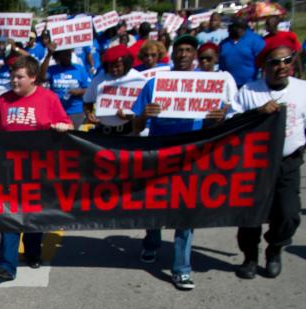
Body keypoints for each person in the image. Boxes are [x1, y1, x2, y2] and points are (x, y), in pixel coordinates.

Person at [128, 34, 230, 291]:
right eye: (179, 50)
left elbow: (213, 124)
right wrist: (144, 115)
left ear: (195, 56)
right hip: (159, 154)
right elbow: (135, 125)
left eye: (188, 50)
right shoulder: (155, 84)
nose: (184, 54)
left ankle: (182, 268)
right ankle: (151, 243)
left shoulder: (208, 86)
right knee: (155, 205)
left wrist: (218, 117)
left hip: (192, 156)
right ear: (172, 55)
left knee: (186, 211)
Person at [0, 56, 72, 282]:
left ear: (33, 78)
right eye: (12, 76)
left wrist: (64, 127)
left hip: (38, 169)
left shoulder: (48, 99)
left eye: (19, 77)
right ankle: (6, 265)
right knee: (9, 216)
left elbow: (68, 125)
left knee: (33, 215)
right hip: (9, 169)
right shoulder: (3, 101)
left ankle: (33, 252)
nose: (14, 80)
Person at [231, 33, 306, 279]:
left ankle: (275, 249)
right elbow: (232, 122)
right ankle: (250, 257)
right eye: (275, 62)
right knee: (251, 214)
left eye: (287, 60)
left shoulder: (302, 90)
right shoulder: (249, 91)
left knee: (288, 213)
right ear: (264, 66)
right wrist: (258, 113)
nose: (282, 66)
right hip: (255, 163)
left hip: (288, 161)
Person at [83, 45, 144, 133]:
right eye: (111, 66)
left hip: (129, 131)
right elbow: (87, 101)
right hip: (103, 131)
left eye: (118, 66)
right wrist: (89, 113)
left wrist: (131, 116)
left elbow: (144, 109)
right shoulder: (99, 79)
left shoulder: (138, 79)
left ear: (126, 64)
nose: (114, 70)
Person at [44, 45, 91, 129]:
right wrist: (48, 55)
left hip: (76, 112)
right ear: (58, 56)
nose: (68, 56)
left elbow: (89, 89)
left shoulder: (79, 68)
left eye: (69, 53)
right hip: (56, 111)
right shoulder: (52, 70)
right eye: (65, 54)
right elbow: (41, 77)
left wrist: (79, 92)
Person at [219, 19, 266, 88]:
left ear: (242, 28)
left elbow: (264, 61)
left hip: (251, 84)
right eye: (230, 27)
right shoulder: (224, 43)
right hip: (229, 85)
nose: (229, 29)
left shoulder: (255, 40)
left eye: (232, 27)